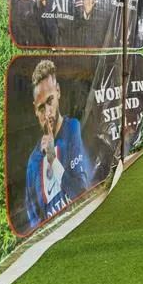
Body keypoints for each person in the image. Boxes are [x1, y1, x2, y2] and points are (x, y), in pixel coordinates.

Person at [23, 59, 92, 231]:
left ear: (58, 92)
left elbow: (81, 192)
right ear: (35, 109)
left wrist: (53, 160)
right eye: (41, 108)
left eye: (50, 101)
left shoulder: (73, 129)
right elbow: (34, 220)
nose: (47, 113)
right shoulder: (33, 162)